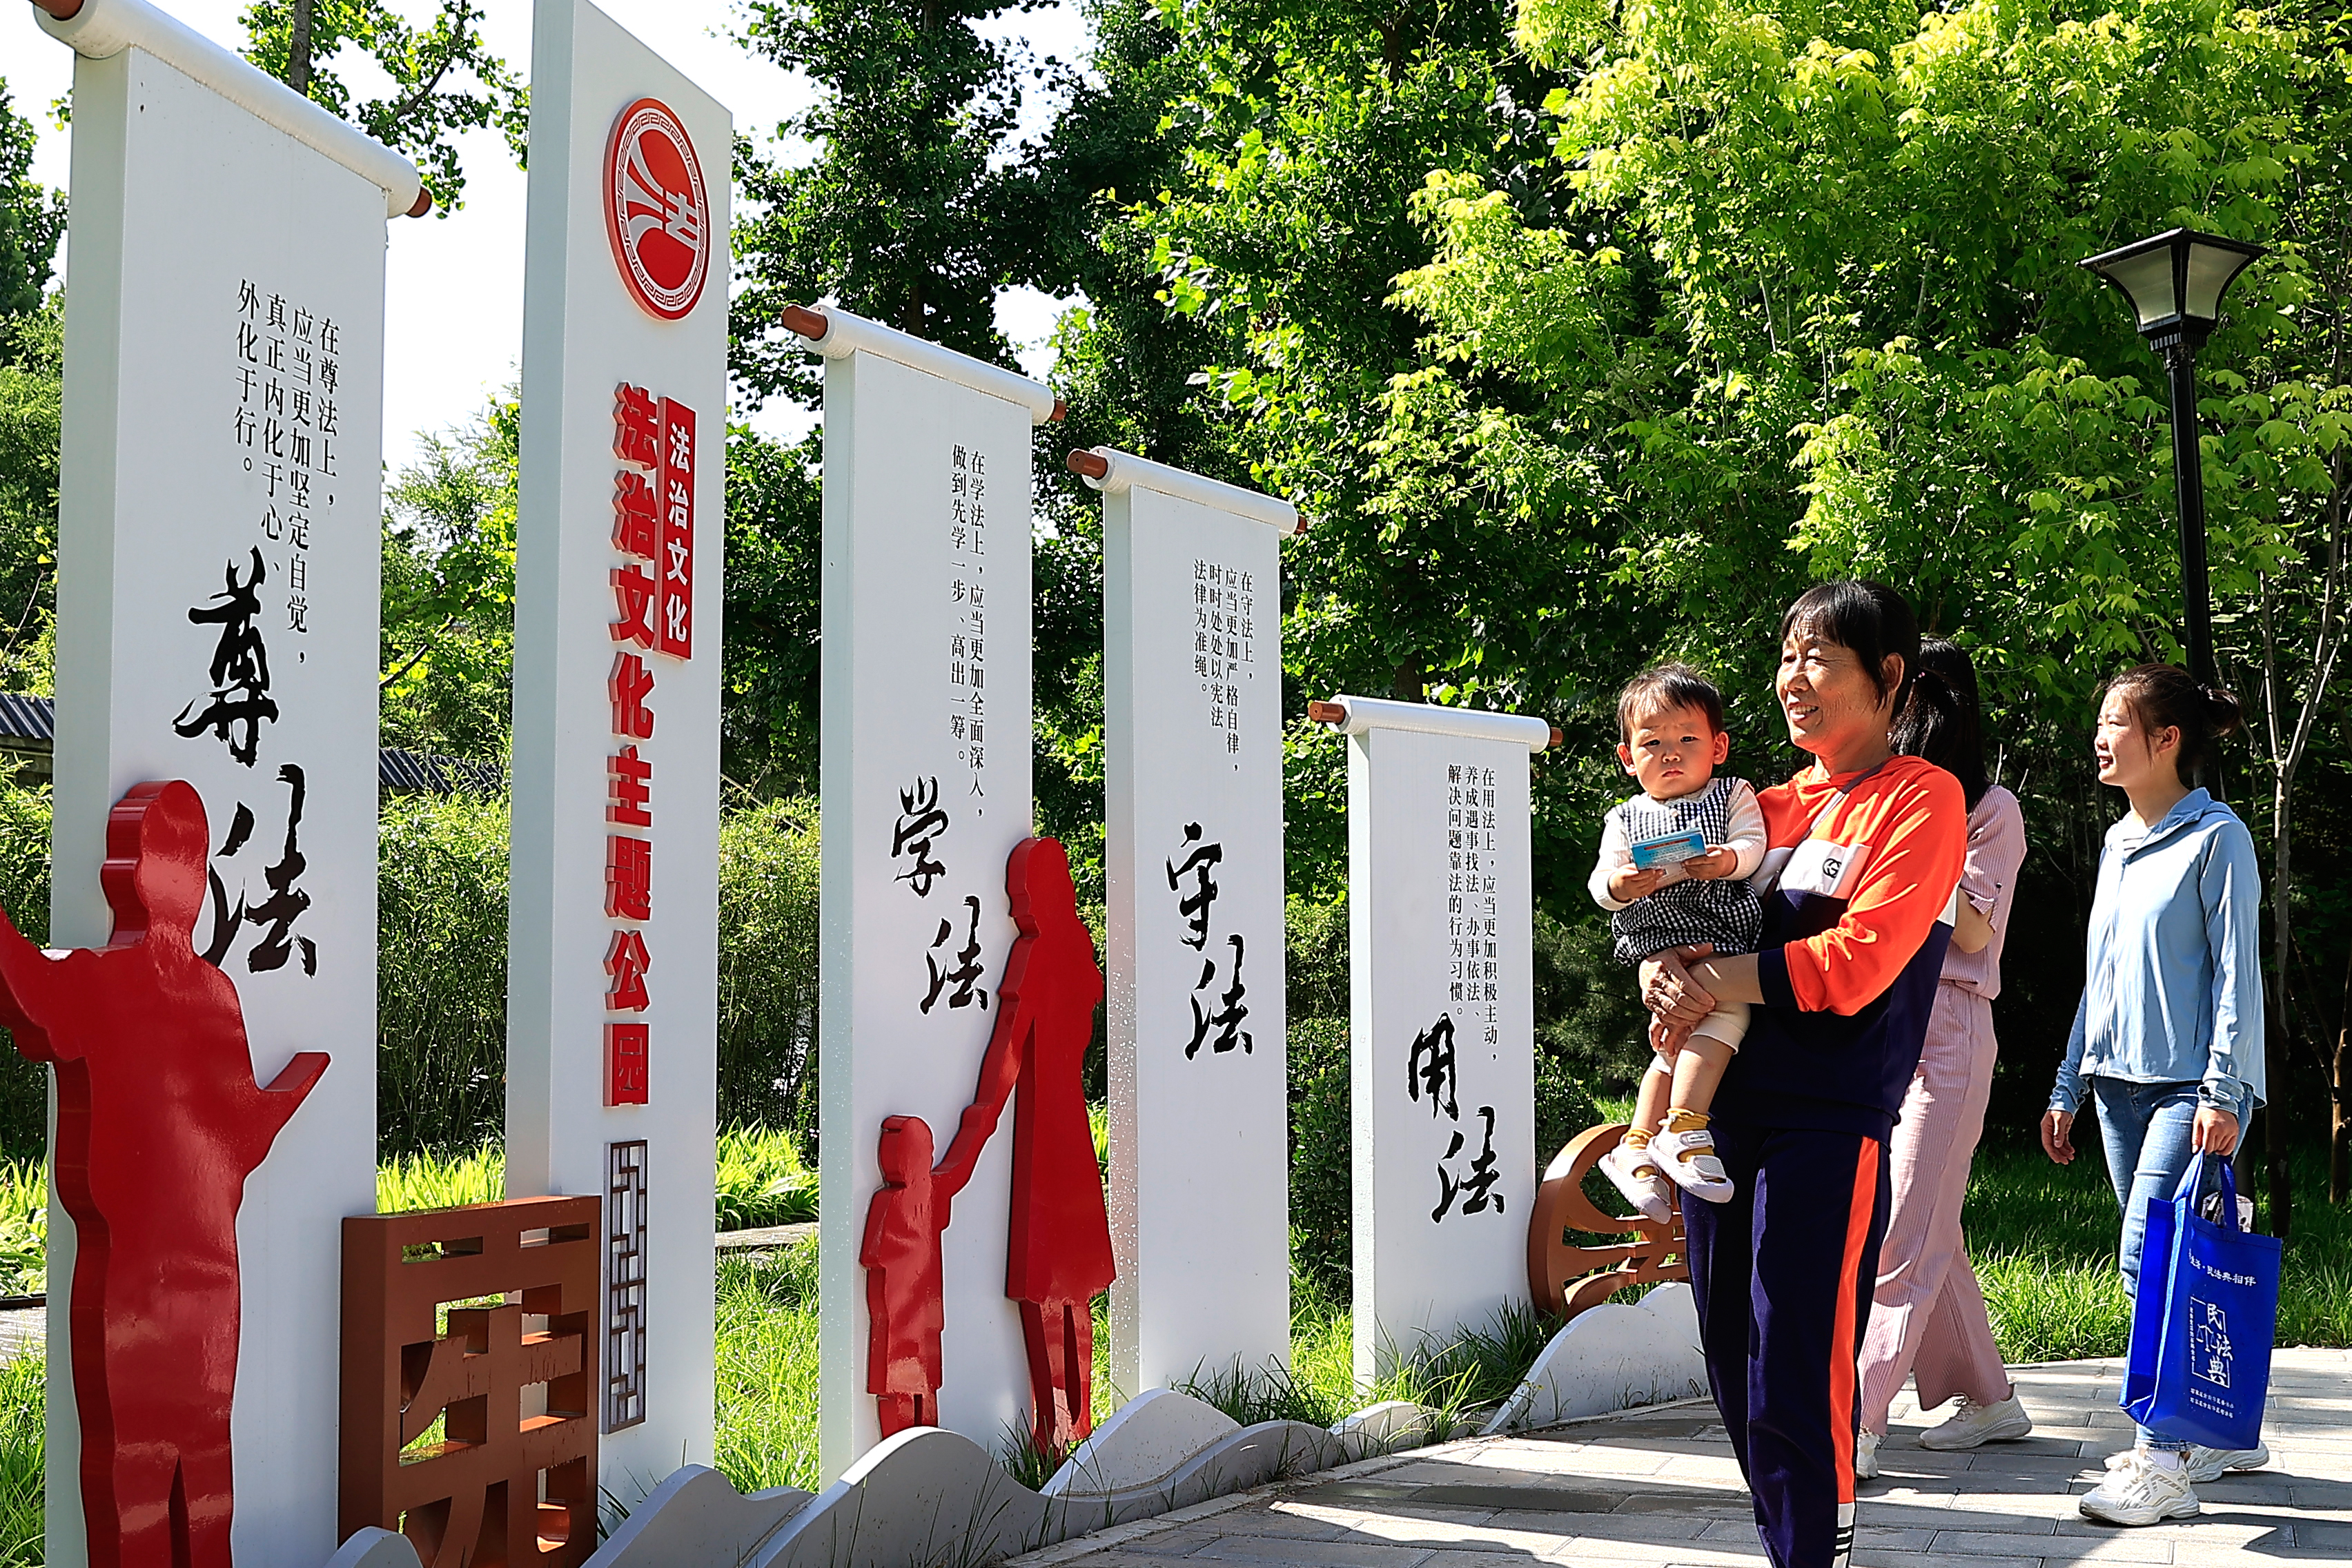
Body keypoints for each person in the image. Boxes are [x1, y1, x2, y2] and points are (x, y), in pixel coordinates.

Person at [1637, 580, 1966, 1568]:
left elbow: (1861, 961)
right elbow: (1667, 914)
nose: (1793, 679)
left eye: (1819, 658)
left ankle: (1814, 1554)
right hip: (1718, 1122)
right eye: (1787, 656)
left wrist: (1712, 972)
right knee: (1736, 1369)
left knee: (1796, 1369)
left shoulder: (1922, 800)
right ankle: (1794, 1543)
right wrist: (1658, 960)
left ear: (1890, 678)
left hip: (1829, 1116)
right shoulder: (1754, 809)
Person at [2044, 664, 2267, 1527]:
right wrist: (2069, 1079)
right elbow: (2099, 976)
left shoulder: (2219, 837)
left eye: (2115, 722)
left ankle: (2162, 1462)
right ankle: (2216, 1429)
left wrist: (2223, 1089)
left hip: (2192, 1090)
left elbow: (2236, 981)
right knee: (2166, 1268)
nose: (2100, 737)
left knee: (2154, 1261)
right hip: (2116, 1092)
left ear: (2166, 740)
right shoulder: (2116, 842)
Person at [1854, 638, 2028, 1478]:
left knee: (1902, 1233)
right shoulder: (1874, 798)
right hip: (1883, 1027)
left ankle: (1855, 1419)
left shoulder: (1990, 808)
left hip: (1951, 1028)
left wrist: (1915, 850)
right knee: (1930, 1228)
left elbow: (1970, 929)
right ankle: (1992, 1400)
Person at [932, 836, 1115, 1457]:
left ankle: (1056, 1428)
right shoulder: (1080, 951)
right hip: (1075, 1133)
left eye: (1021, 894)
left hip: (1043, 1140)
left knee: (1046, 1288)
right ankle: (1078, 1418)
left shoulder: (1036, 957)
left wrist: (960, 1158)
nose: (1016, 906)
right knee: (1077, 1284)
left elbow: (1004, 1065)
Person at [1589, 663, 1769, 1219]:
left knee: (1692, 1035)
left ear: (1717, 746)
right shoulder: (1624, 818)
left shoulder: (1733, 792)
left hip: (1721, 932)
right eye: (1652, 743)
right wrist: (1622, 885)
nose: (1671, 753)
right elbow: (1601, 883)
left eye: (1687, 739)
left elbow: (1753, 842)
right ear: (1628, 758)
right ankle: (1673, 1135)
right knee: (1689, 1033)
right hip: (1658, 934)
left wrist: (1727, 860)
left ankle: (1649, 1140)